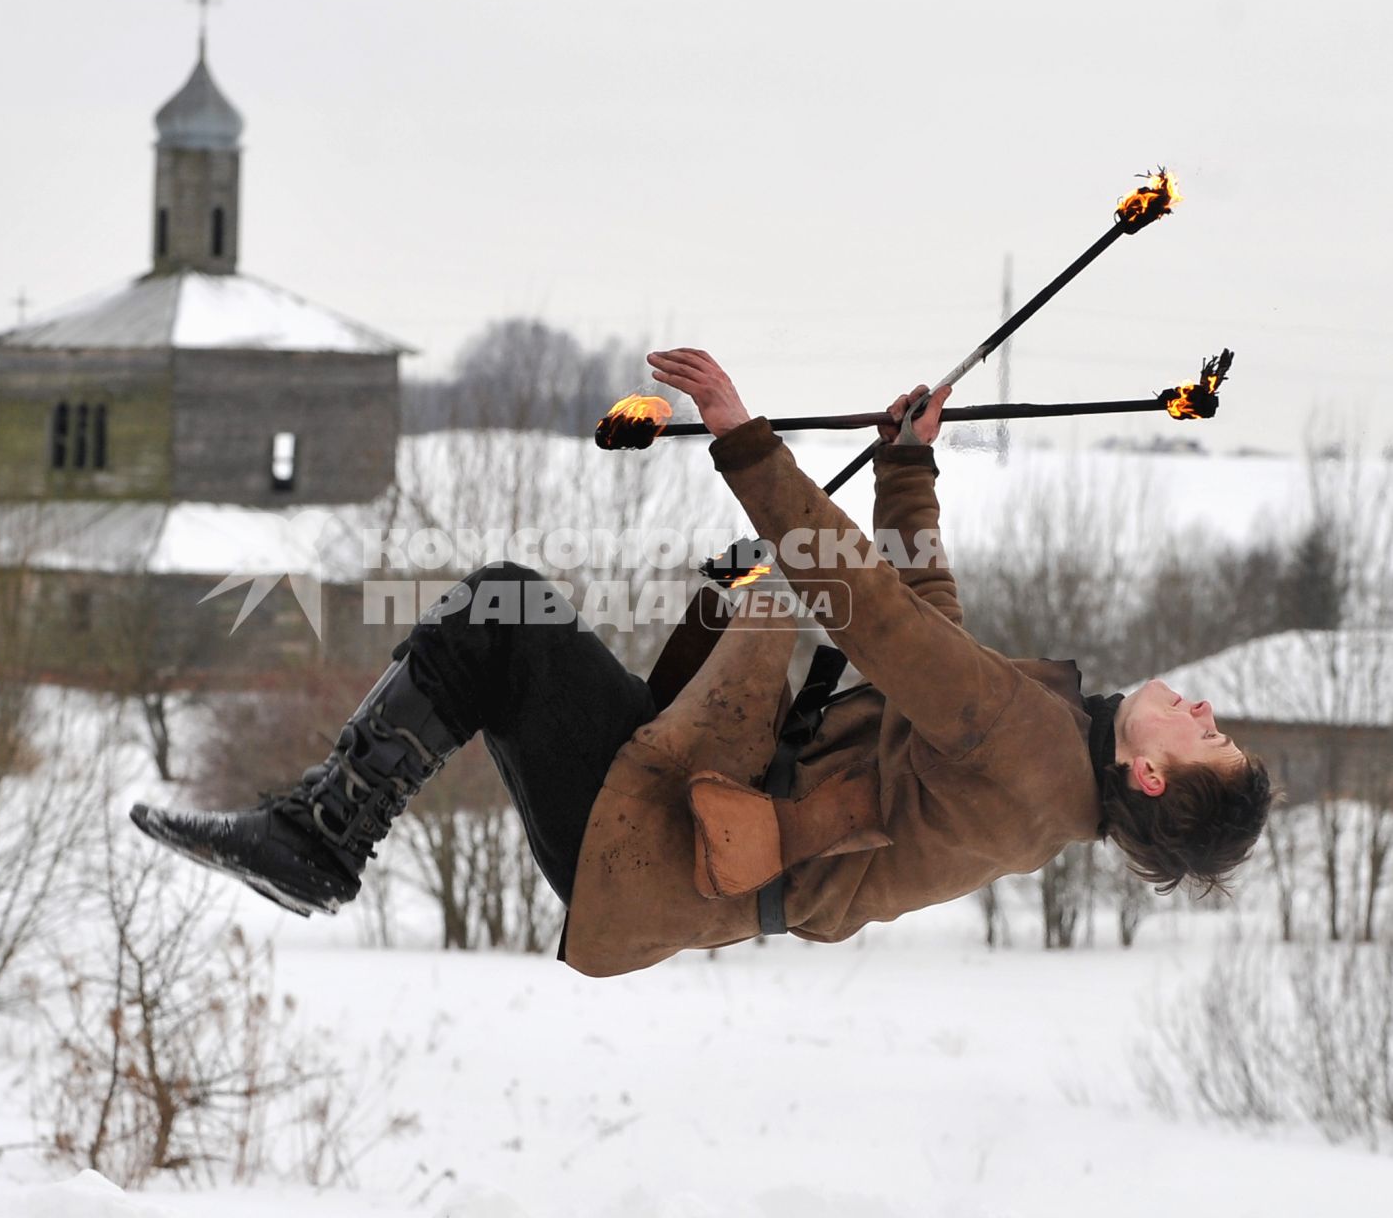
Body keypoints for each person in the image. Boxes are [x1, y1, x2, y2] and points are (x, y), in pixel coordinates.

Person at [131, 347, 1272, 977]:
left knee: (502, 608)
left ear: (1154, 776)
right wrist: (907, 470)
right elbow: (922, 617)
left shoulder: (1034, 752)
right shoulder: (1044, 768)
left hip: (651, 837)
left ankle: (320, 840)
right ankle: (320, 835)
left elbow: (872, 617)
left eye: (1207, 733)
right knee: (505, 630)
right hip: (672, 827)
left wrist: (738, 432)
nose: (1204, 705)